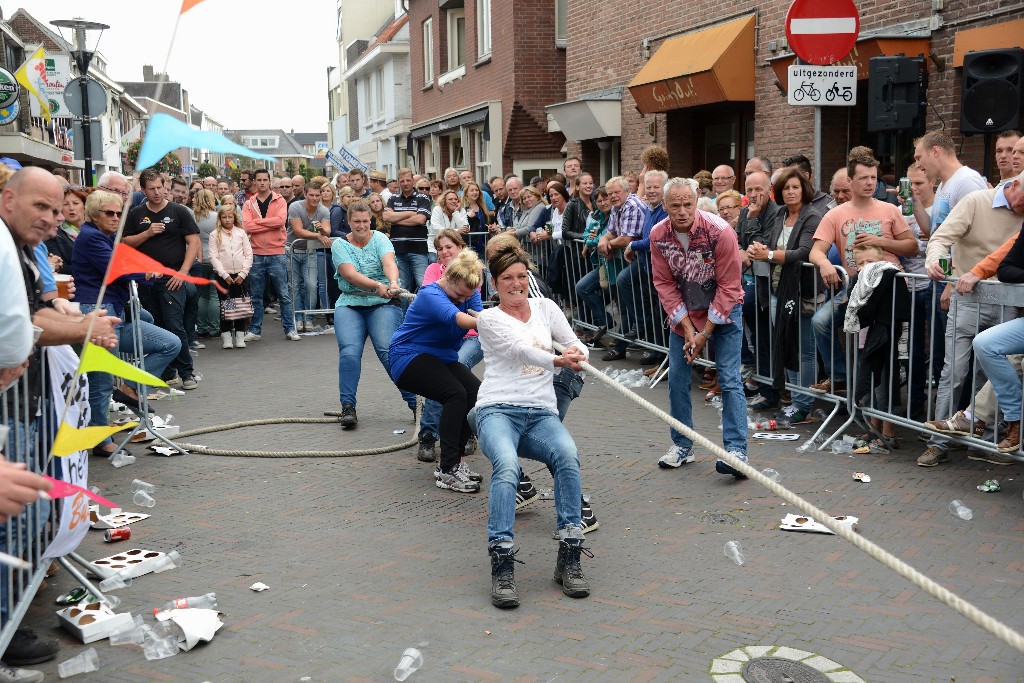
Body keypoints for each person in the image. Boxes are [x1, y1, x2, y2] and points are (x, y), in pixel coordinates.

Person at [475, 239, 592, 608]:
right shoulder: (488, 318)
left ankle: (570, 556)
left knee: (568, 457)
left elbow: (575, 343)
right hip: (497, 410)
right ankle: (502, 562)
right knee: (507, 467)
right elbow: (519, 351)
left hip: (541, 412)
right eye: (507, 278)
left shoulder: (545, 307)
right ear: (494, 284)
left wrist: (576, 353)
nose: (516, 284)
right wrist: (559, 361)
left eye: (522, 277)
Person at [919, 172, 1024, 465]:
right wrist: (935, 264)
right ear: (1013, 185)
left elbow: (1007, 255)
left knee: (992, 371)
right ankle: (938, 442)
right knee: (954, 372)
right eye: (1023, 201)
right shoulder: (977, 201)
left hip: (1009, 305)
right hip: (968, 300)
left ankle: (983, 441)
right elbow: (941, 237)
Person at [72, 189, 182, 455]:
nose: (115, 217)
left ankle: (129, 387)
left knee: (169, 342)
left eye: (119, 213)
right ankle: (100, 440)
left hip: (115, 310)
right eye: (109, 213)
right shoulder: (91, 237)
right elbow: (115, 269)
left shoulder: (104, 237)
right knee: (100, 379)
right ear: (94, 215)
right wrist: (146, 272)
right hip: (97, 312)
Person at [651, 178, 748, 478]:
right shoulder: (658, 235)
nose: (682, 211)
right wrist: (687, 327)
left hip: (726, 310)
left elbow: (730, 286)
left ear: (696, 202)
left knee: (730, 378)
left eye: (687, 204)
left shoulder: (720, 232)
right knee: (678, 379)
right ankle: (682, 445)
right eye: (675, 205)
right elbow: (664, 284)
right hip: (685, 313)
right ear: (665, 205)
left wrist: (705, 332)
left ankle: (736, 451)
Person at [807, 153, 917, 396]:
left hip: (888, 289)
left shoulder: (889, 210)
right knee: (821, 322)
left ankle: (881, 413)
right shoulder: (835, 214)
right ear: (850, 180)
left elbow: (912, 246)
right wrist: (825, 264)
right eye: (864, 178)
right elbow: (816, 251)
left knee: (880, 349)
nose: (870, 183)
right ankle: (839, 377)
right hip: (855, 288)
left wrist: (880, 241)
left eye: (874, 178)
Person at [390, 248, 484, 493]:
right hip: (408, 356)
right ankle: (448, 467)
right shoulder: (430, 293)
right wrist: (498, 322)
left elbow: (479, 315)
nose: (462, 300)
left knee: (475, 392)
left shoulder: (467, 292)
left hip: (442, 357)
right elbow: (460, 319)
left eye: (467, 296)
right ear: (448, 279)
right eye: (458, 295)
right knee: (454, 393)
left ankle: (456, 461)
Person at [747, 167, 823, 424]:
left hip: (803, 293)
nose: (791, 192)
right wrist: (759, 244)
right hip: (778, 289)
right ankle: (794, 399)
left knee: (805, 351)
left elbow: (802, 253)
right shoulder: (779, 214)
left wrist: (767, 255)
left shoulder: (812, 216)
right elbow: (766, 242)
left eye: (795, 187)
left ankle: (804, 404)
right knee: (786, 344)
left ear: (804, 189)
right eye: (786, 188)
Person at [332, 200, 417, 428]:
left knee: (387, 350)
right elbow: (349, 275)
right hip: (351, 302)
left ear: (371, 220)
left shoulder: (380, 238)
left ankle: (415, 403)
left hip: (383, 303)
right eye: (356, 222)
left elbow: (389, 262)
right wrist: (376, 286)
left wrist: (392, 282)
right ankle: (348, 406)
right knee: (349, 352)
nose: (361, 226)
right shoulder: (339, 245)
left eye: (365, 221)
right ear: (348, 222)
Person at [123, 168, 203, 389]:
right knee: (157, 326)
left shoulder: (179, 212)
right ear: (143, 190)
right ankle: (167, 372)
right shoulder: (135, 214)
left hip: (172, 278)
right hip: (145, 280)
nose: (157, 192)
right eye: (152, 189)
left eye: (160, 187)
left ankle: (187, 373)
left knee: (174, 324)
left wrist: (183, 272)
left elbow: (193, 242)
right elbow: (125, 243)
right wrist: (147, 233)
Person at [413, 230, 485, 462]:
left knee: (461, 376)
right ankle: (428, 435)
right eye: (440, 248)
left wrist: (493, 325)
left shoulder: (473, 272)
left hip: (471, 337)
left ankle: (463, 434)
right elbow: (439, 304)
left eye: (449, 247)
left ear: (460, 248)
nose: (444, 252)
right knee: (446, 379)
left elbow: (477, 310)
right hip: (446, 336)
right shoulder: (433, 274)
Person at [241, 168, 300, 342]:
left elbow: (280, 221)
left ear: (269, 181)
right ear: (254, 181)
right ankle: (255, 330)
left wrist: (257, 222)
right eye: (258, 180)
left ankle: (290, 329)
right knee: (256, 295)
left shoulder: (279, 200)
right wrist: (267, 224)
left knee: (284, 294)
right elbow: (246, 227)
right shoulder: (248, 203)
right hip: (257, 253)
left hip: (277, 253)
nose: (261, 183)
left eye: (264, 180)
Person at [598, 176, 649, 362]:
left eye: (616, 192)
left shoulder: (632, 205)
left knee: (623, 281)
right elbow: (611, 231)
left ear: (627, 191)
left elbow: (626, 239)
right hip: (629, 258)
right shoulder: (616, 207)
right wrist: (603, 240)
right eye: (610, 193)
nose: (612, 196)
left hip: (644, 258)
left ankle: (640, 324)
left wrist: (606, 243)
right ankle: (624, 340)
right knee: (622, 297)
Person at [288, 179, 331, 332]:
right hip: (292, 250)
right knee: (294, 287)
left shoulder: (323, 210)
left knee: (311, 285)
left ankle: (309, 318)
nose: (314, 198)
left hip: (310, 252)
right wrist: (317, 236)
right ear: (305, 195)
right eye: (311, 195)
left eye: (317, 195)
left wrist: (322, 231)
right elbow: (298, 231)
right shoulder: (295, 206)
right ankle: (298, 318)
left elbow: (327, 231)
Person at [209, 203, 254, 349]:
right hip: (224, 277)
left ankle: (240, 336)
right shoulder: (214, 234)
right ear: (219, 218)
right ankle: (227, 338)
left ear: (234, 218)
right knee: (227, 307)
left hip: (241, 275)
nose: (227, 220)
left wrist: (243, 273)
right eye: (224, 217)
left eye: (230, 217)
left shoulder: (241, 233)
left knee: (240, 306)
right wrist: (223, 274)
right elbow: (213, 256)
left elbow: (248, 254)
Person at [384, 168, 433, 292]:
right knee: (402, 286)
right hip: (398, 249)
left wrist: (396, 218)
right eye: (402, 181)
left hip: (418, 249)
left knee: (423, 284)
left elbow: (420, 220)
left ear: (413, 181)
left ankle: (424, 311)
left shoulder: (423, 198)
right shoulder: (393, 198)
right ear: (399, 183)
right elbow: (386, 217)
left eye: (408, 180)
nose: (405, 183)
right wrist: (410, 213)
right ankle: (404, 312)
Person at [191, 189, 221, 339]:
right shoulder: (217, 218)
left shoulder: (193, 218)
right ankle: (215, 328)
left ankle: (202, 327)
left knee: (203, 296)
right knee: (215, 294)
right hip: (215, 259)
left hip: (198, 259)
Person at [45, 186, 87, 273]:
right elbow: (61, 267)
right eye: (65, 204)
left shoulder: (96, 230)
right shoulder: (54, 234)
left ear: (85, 206)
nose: (71, 208)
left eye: (75, 203)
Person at [430, 190, 469, 264]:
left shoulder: (461, 210)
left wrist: (456, 212)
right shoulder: (437, 209)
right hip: (437, 246)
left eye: (456, 199)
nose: (454, 201)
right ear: (444, 201)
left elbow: (465, 228)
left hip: (454, 246)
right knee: (433, 261)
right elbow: (436, 227)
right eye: (450, 199)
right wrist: (457, 231)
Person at [461, 181, 492, 256]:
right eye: (472, 190)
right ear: (466, 193)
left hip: (482, 246)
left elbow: (484, 224)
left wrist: (489, 228)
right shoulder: (463, 208)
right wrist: (469, 217)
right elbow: (463, 226)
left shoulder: (482, 207)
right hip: (469, 247)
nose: (475, 192)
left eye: (477, 190)